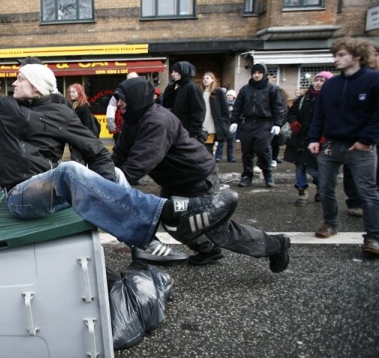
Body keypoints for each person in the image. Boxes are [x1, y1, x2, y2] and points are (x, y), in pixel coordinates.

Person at [0, 47, 239, 258]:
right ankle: (168, 212)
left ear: (35, 87)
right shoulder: (5, 108)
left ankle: (144, 245)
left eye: (20, 79)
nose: (14, 83)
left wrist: (111, 184)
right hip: (20, 196)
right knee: (70, 171)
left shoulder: (61, 113)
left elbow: (96, 151)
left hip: (52, 193)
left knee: (115, 174)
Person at [112, 77, 290, 270]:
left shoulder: (157, 121)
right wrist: (102, 175)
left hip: (196, 177)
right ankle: (209, 249)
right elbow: (120, 155)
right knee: (173, 223)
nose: (118, 103)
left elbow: (140, 163)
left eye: (123, 99)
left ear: (136, 98)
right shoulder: (132, 121)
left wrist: (106, 187)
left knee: (218, 230)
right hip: (174, 181)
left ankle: (276, 245)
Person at [307, 37, 379, 257]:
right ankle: (330, 223)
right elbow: (319, 113)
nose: (335, 59)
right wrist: (314, 138)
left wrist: (366, 140)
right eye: (335, 55)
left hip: (360, 147)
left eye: (341, 55)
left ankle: (373, 238)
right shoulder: (331, 84)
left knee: (368, 192)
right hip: (331, 144)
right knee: (325, 187)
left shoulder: (377, 80)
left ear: (356, 56)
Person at [343, 41, 379, 218]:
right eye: (368, 54)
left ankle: (376, 203)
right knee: (352, 167)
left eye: (376, 54)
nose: (371, 58)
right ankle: (355, 202)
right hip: (357, 130)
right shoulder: (356, 77)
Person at [230, 64, 286, 188]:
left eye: (259, 72)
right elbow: (238, 106)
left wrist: (277, 123)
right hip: (248, 122)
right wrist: (234, 121)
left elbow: (278, 106)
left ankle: (268, 174)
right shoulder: (245, 89)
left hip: (264, 122)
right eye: (254, 73)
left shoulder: (272, 89)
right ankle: (247, 176)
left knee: (263, 149)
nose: (256, 75)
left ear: (264, 74)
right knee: (246, 150)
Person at [283, 71, 333, 206]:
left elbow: (333, 120)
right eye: (317, 80)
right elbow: (292, 112)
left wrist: (324, 137)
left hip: (317, 141)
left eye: (323, 81)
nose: (318, 83)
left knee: (313, 169)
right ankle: (302, 193)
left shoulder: (330, 100)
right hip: (299, 139)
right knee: (299, 167)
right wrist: (293, 122)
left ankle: (321, 188)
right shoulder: (303, 98)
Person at [162, 61, 206, 141]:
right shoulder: (179, 88)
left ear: (183, 72)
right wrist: (170, 88)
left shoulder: (192, 87)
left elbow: (199, 111)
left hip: (188, 132)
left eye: (175, 72)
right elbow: (167, 104)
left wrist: (193, 132)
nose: (172, 74)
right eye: (172, 72)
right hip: (178, 130)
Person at [67, 83, 99, 164]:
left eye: (73, 92)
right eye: (70, 92)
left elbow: (87, 125)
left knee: (79, 163)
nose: (71, 94)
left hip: (81, 140)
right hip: (75, 139)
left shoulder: (84, 106)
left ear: (79, 93)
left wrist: (83, 139)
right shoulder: (73, 105)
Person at [201, 72, 230, 154]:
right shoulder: (201, 93)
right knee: (202, 148)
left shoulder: (218, 92)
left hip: (211, 126)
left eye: (207, 78)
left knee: (208, 148)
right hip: (201, 125)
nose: (205, 80)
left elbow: (225, 109)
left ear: (212, 80)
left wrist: (223, 123)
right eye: (204, 78)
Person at [106, 72, 138, 142]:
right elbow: (111, 107)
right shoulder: (119, 92)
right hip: (121, 128)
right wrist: (112, 126)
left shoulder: (142, 92)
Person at [215, 89, 237, 162]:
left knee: (231, 143)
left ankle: (231, 157)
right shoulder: (223, 104)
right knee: (221, 142)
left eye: (231, 95)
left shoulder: (236, 105)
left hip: (232, 124)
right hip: (224, 124)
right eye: (228, 95)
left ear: (234, 97)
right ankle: (218, 157)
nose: (229, 97)